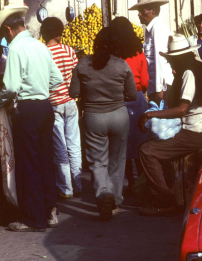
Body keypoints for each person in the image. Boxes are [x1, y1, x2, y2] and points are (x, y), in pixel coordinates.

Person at [0, 5, 64, 232]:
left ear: (9, 30)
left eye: (4, 34)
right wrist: (39, 87)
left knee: (29, 164)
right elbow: (57, 79)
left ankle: (33, 218)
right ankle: (50, 211)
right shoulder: (40, 47)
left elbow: (11, 86)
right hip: (45, 108)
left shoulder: (16, 49)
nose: (4, 38)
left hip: (27, 111)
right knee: (45, 160)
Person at [138, 34, 202, 216]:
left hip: (197, 132)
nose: (171, 66)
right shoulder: (199, 68)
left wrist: (149, 114)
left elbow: (182, 109)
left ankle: (166, 200)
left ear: (178, 58)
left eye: (171, 61)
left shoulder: (189, 73)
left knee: (147, 151)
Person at [69, 28, 137, 220]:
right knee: (117, 159)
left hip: (93, 118)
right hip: (119, 116)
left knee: (98, 162)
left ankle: (103, 194)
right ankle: (114, 199)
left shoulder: (82, 65)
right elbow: (132, 95)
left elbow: (73, 93)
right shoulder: (122, 65)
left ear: (95, 44)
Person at [40, 17, 82, 199]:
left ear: (43, 34)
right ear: (59, 33)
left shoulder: (43, 53)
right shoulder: (69, 50)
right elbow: (76, 76)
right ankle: (78, 183)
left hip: (54, 104)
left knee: (60, 147)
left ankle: (66, 188)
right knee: (74, 145)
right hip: (71, 102)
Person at [109, 17, 149, 190]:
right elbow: (146, 81)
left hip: (119, 100)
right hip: (138, 100)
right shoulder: (138, 52)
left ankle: (130, 183)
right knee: (141, 145)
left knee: (122, 146)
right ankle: (141, 181)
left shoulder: (112, 55)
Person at [129, 0, 173, 106]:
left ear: (153, 10)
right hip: (155, 85)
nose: (139, 14)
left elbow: (160, 59)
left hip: (162, 86)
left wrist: (159, 89)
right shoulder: (150, 29)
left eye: (141, 11)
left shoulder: (157, 28)